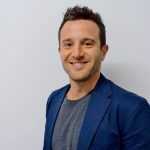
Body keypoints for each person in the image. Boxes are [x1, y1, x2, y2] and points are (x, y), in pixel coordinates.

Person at [43, 6, 150, 150]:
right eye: (68, 44)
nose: (77, 53)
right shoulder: (54, 100)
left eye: (87, 44)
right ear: (60, 51)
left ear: (103, 51)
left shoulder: (133, 109)